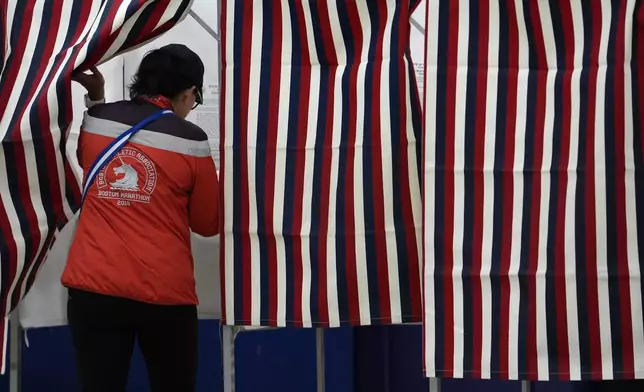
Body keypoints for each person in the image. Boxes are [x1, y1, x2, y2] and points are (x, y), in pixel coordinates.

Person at [63, 44, 219, 392]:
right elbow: (208, 224)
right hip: (164, 294)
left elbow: (88, 158)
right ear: (189, 92)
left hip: (93, 288)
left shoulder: (98, 121)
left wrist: (97, 97)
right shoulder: (192, 141)